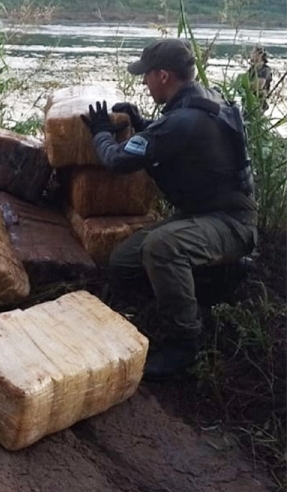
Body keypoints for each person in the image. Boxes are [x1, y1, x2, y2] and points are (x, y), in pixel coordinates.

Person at [80, 38, 257, 380]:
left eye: (146, 76)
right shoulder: (203, 101)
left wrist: (100, 133)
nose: (144, 83)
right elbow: (175, 138)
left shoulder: (185, 119)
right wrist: (141, 123)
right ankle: (197, 291)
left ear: (163, 76)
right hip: (202, 213)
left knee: (163, 247)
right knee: (123, 261)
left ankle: (184, 344)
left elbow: (117, 161)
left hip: (231, 222)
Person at [246, 46, 272, 110]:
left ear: (259, 55)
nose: (251, 55)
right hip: (249, 100)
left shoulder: (265, 70)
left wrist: (246, 87)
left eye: (253, 53)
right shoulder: (252, 69)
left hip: (258, 102)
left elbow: (258, 86)